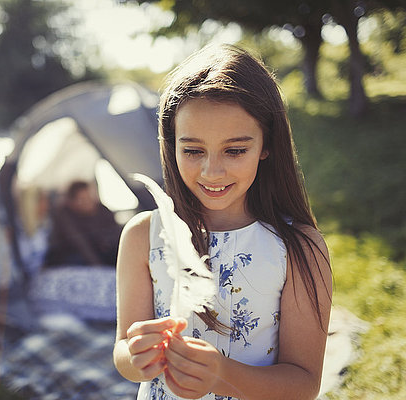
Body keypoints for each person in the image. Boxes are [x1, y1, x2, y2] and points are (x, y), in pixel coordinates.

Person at [113, 44, 332, 400]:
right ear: (172, 146)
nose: (211, 171)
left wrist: (221, 374)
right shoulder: (144, 235)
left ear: (266, 144)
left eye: (235, 150)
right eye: (193, 150)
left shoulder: (298, 247)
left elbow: (303, 384)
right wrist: (137, 355)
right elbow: (123, 353)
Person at [44, 180, 122, 267]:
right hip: (77, 257)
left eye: (90, 198)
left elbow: (117, 234)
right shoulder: (65, 215)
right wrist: (99, 268)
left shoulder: (102, 210)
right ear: (72, 203)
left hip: (103, 251)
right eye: (82, 200)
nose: (88, 203)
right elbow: (81, 244)